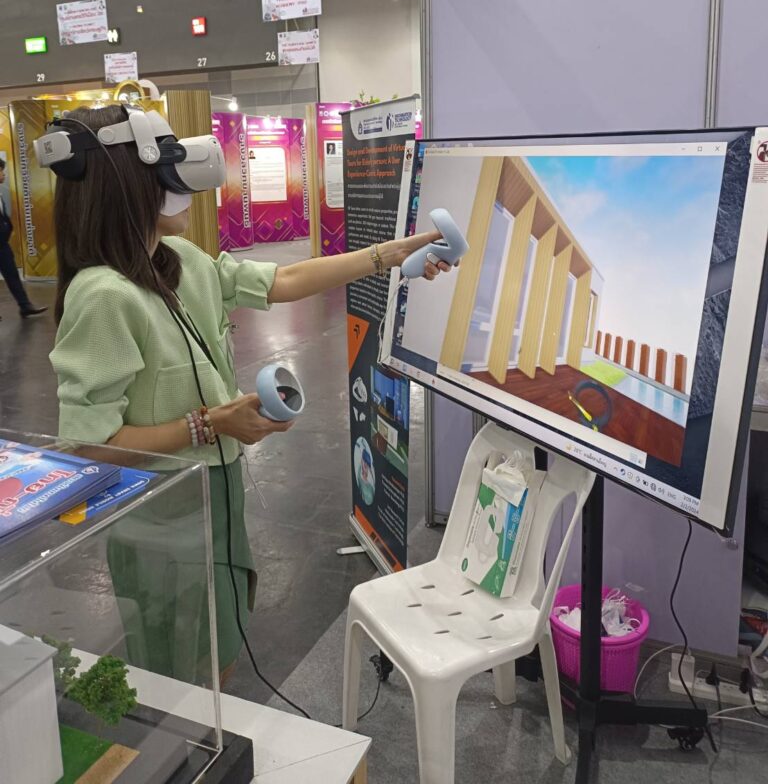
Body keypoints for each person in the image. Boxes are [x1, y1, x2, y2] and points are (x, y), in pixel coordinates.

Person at [48, 105, 453, 685]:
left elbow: (282, 280)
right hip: (160, 515)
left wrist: (387, 255)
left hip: (217, 491)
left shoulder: (180, 261)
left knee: (223, 642)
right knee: (177, 666)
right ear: (130, 184)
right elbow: (90, 447)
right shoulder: (103, 296)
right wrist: (210, 424)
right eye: (165, 166)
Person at [0, 158, 47, 319]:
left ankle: (25, 306)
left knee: (12, 274)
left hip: (2, 245)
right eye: (1, 171)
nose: (4, 174)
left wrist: (7, 228)